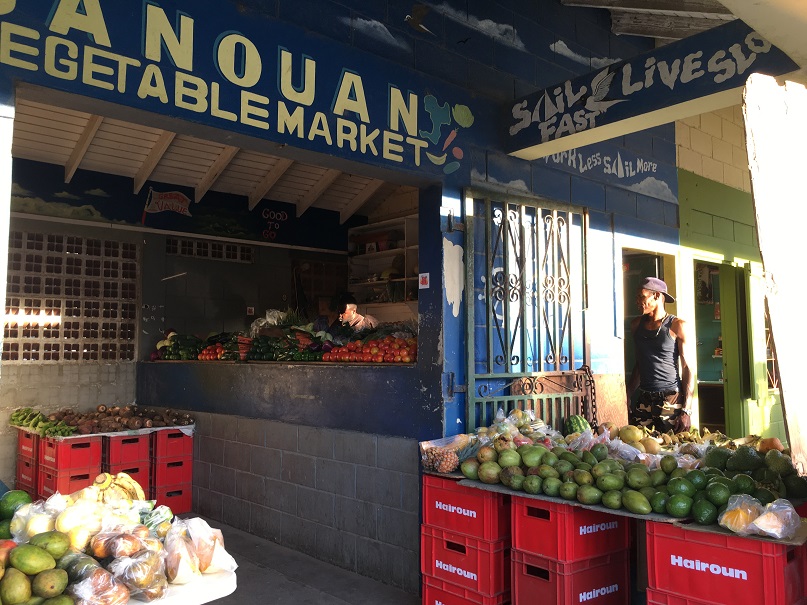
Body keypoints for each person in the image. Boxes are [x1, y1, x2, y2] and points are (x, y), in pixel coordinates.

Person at [626, 277, 693, 434]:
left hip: (670, 398)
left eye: (641, 297)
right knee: (638, 446)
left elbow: (687, 368)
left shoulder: (677, 325)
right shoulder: (636, 325)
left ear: (656, 296)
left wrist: (686, 410)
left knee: (669, 448)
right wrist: (627, 395)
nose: (637, 301)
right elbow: (639, 363)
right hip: (645, 398)